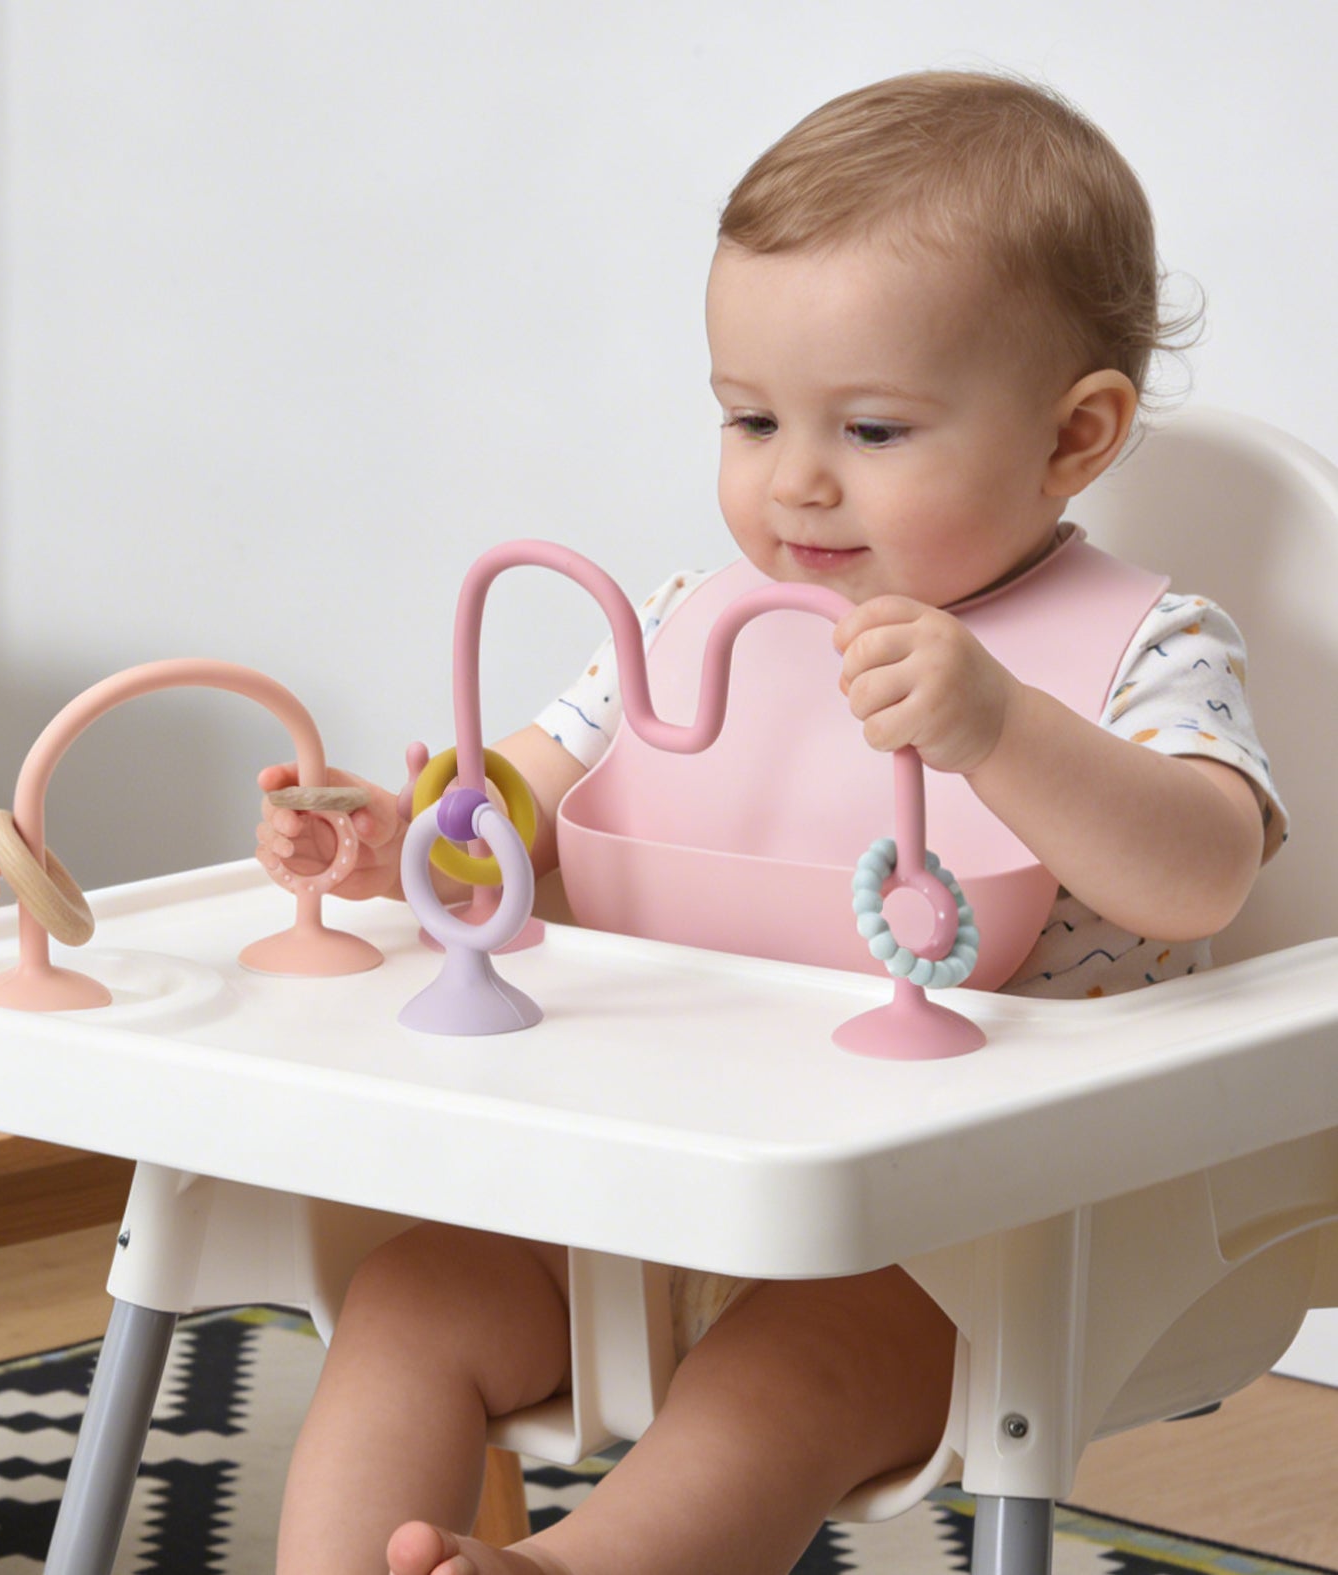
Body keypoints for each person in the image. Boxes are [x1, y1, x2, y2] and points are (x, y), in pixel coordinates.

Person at [257, 70, 1285, 1575]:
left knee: (788, 1371)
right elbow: (510, 805)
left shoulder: (1151, 647)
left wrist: (998, 726)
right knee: (416, 1293)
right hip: (644, 1175)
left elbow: (1201, 876)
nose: (793, 478)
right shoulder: (681, 628)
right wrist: (391, 840)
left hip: (974, 1244)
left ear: (1075, 437)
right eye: (749, 417)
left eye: (871, 429)